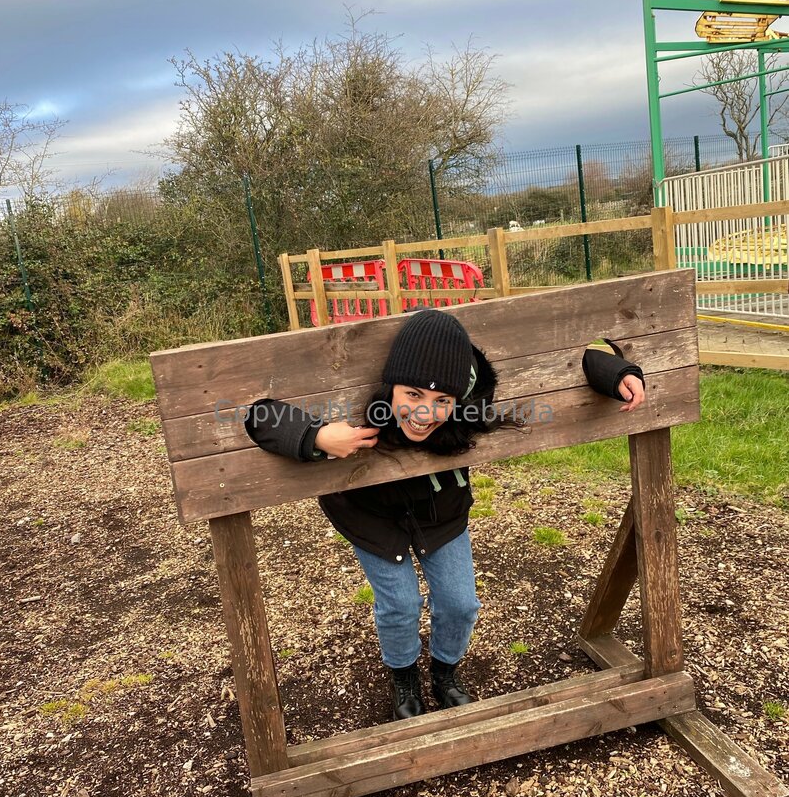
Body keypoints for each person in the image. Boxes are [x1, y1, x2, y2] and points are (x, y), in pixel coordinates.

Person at [244, 308, 646, 721]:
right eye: (412, 395)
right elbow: (253, 412)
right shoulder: (365, 408)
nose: (424, 414)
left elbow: (567, 354)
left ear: (459, 399)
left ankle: (444, 673)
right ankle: (403, 676)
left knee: (460, 603)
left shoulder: (473, 404)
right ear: (390, 385)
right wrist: (315, 435)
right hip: (369, 514)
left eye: (442, 401)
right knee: (400, 605)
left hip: (441, 509)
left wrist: (616, 372)